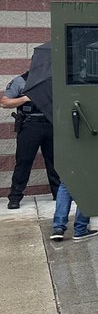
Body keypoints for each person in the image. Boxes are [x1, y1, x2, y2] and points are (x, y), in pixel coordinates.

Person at [3, 69, 60, 210]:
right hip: (30, 125)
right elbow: (4, 102)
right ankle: (15, 197)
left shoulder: (54, 80)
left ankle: (58, 194)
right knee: (24, 161)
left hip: (50, 124)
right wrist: (26, 98)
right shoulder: (21, 80)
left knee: (54, 161)